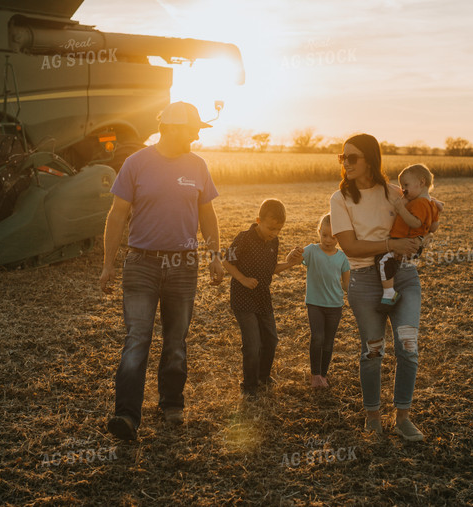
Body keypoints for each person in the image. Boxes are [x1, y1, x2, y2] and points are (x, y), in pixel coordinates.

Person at [99, 101, 225, 441]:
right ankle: (126, 415)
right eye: (193, 129)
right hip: (142, 263)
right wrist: (108, 263)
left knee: (175, 341)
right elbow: (116, 216)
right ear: (171, 128)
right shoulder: (136, 163)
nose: (198, 134)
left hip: (184, 265)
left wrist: (214, 255)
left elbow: (207, 216)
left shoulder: (198, 166)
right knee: (137, 339)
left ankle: (172, 402)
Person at [330, 134, 435, 442]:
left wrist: (422, 240)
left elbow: (424, 218)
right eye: (343, 158)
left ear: (370, 160)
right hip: (364, 281)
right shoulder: (340, 199)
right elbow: (348, 245)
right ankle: (373, 415)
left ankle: (403, 417)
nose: (346, 163)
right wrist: (391, 243)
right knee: (373, 352)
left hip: (403, 277)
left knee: (408, 346)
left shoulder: (394, 193)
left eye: (353, 158)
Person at [222, 199, 303, 399]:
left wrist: (290, 264)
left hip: (262, 297)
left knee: (271, 339)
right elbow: (226, 260)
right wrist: (242, 279)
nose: (274, 233)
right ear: (258, 220)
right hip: (242, 297)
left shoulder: (274, 242)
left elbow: (270, 269)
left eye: (278, 229)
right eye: (270, 228)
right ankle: (249, 385)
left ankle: (263, 376)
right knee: (252, 343)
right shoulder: (244, 238)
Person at [375, 164, 439, 311]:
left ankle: (389, 293)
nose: (402, 189)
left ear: (421, 182)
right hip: (413, 244)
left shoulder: (419, 203)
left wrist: (400, 209)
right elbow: (434, 227)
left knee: (383, 259)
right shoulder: (431, 203)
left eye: (405, 185)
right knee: (391, 261)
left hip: (405, 242)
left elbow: (415, 223)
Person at [301, 213, 350, 388]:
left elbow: (346, 285)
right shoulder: (311, 251)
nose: (328, 240)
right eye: (324, 235)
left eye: (333, 236)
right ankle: (315, 375)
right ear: (319, 232)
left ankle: (323, 375)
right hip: (314, 304)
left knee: (329, 341)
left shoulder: (342, 258)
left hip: (335, 305)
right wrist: (294, 253)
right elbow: (295, 258)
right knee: (317, 338)